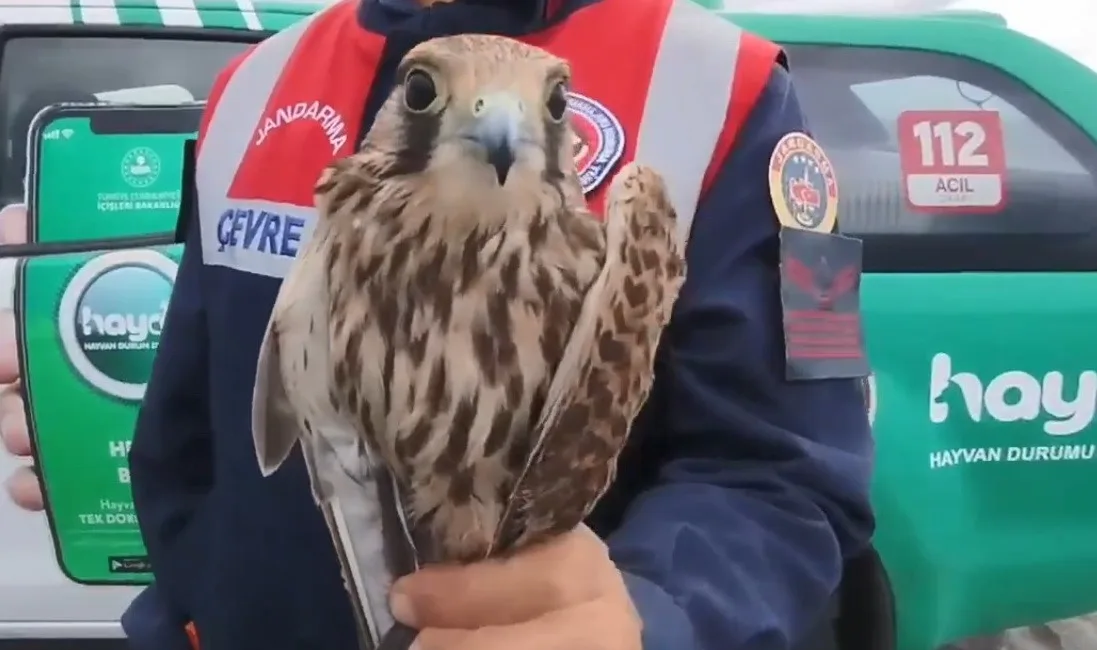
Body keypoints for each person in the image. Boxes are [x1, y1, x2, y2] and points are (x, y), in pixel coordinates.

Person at [4, 1, 875, 649]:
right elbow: (192, 435)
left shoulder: (739, 88)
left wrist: (656, 614)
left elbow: (799, 479)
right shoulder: (253, 82)